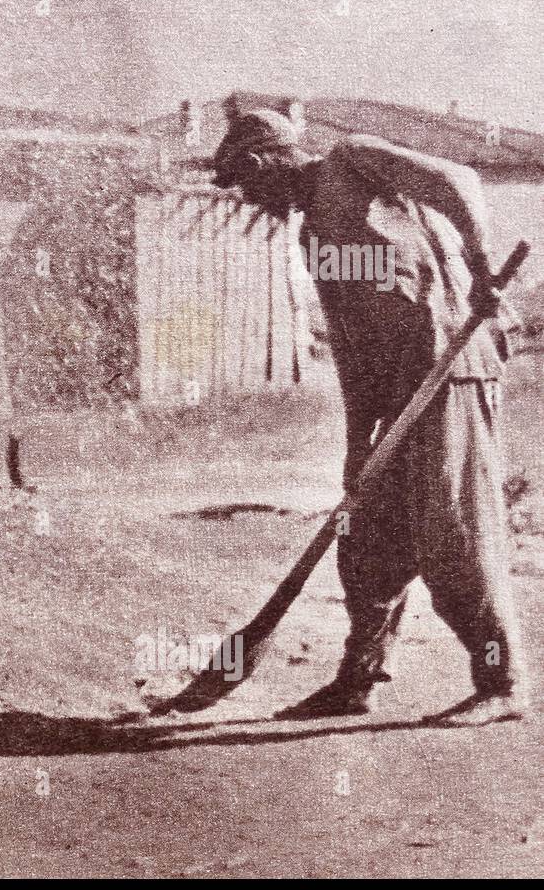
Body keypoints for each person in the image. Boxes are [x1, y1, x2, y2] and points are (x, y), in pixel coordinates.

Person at [211, 110, 527, 725]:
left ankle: (503, 683)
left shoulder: (350, 161)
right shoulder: (312, 236)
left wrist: (482, 267)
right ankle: (358, 678)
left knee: (452, 536)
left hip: (450, 366)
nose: (248, 200)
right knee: (365, 542)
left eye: (244, 185)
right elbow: (355, 351)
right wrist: (358, 450)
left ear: (259, 164)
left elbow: (458, 179)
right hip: (396, 390)